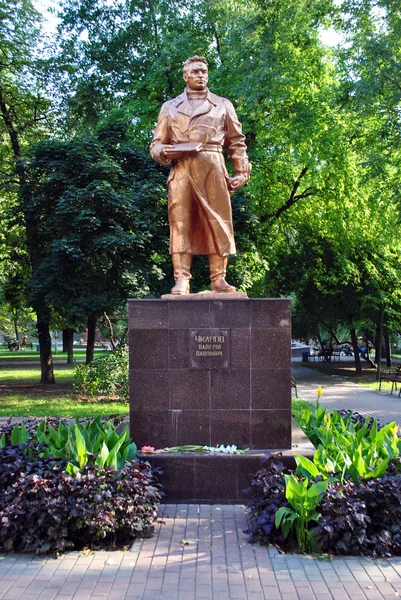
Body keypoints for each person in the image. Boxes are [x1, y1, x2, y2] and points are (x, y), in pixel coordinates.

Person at [150, 55, 251, 295]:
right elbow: (155, 145)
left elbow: (236, 141)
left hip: (214, 167)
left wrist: (242, 171)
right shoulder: (170, 107)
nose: (200, 75)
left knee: (218, 221)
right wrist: (166, 151)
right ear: (185, 76)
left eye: (204, 71)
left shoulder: (223, 104)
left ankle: (218, 278)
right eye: (195, 71)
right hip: (181, 170)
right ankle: (182, 279)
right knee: (180, 222)